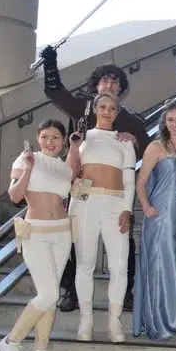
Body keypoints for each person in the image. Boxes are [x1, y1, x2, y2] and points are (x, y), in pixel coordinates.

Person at [40, 45, 149, 313]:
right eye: (105, 80)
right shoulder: (82, 109)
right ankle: (69, 291)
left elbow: (149, 152)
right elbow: (54, 91)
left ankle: (126, 294)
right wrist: (50, 63)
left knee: (125, 245)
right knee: (73, 242)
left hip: (116, 196)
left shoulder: (131, 120)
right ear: (96, 85)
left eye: (115, 81)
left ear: (121, 88)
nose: (109, 84)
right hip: (82, 192)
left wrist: (135, 141)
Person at [0, 120, 74, 351]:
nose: (50, 142)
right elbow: (14, 196)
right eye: (44, 136)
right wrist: (29, 169)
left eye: (56, 137)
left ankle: (41, 350)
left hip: (62, 232)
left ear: (63, 141)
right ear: (37, 138)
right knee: (49, 294)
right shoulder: (27, 159)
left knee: (50, 295)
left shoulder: (64, 167)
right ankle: (11, 341)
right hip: (36, 232)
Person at [70, 93, 137, 343]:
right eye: (103, 107)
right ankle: (85, 321)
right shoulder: (82, 138)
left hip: (116, 205)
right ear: (95, 109)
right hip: (84, 203)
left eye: (112, 108)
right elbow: (71, 171)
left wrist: (127, 209)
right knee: (84, 263)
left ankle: (114, 322)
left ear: (117, 112)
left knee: (119, 265)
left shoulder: (124, 141)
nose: (107, 111)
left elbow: (129, 179)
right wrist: (74, 146)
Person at [133, 102, 176, 339]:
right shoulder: (156, 147)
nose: (175, 124)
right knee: (163, 266)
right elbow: (141, 182)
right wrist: (146, 207)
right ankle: (163, 322)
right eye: (170, 120)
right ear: (164, 123)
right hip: (162, 217)